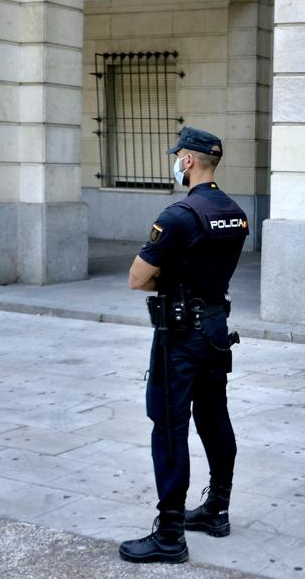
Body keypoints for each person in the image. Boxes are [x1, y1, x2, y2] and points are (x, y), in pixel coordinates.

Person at [119, 126, 248, 564]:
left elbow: (138, 278)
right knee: (214, 416)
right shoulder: (235, 212)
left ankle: (170, 534)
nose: (176, 162)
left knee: (170, 426)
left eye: (178, 157)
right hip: (214, 327)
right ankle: (218, 509)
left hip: (179, 334)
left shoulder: (178, 214)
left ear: (188, 161)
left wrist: (169, 277)